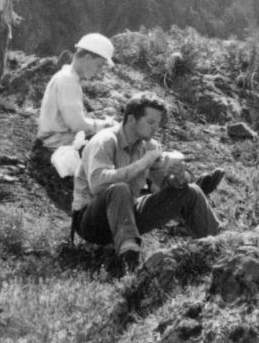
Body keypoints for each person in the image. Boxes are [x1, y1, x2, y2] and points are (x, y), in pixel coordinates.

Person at [71, 93, 221, 274]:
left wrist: (178, 179)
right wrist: (143, 163)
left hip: (127, 213)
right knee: (120, 189)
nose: (155, 128)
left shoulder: (148, 146)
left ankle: (221, 248)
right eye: (150, 122)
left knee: (191, 191)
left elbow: (164, 183)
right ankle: (129, 261)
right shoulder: (106, 140)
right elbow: (97, 184)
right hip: (92, 222)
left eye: (158, 123)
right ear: (131, 119)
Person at [30, 34, 119, 211]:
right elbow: (77, 125)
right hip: (56, 145)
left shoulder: (67, 78)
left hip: (57, 141)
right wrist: (105, 125)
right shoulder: (67, 81)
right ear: (87, 57)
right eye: (99, 65)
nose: (99, 70)